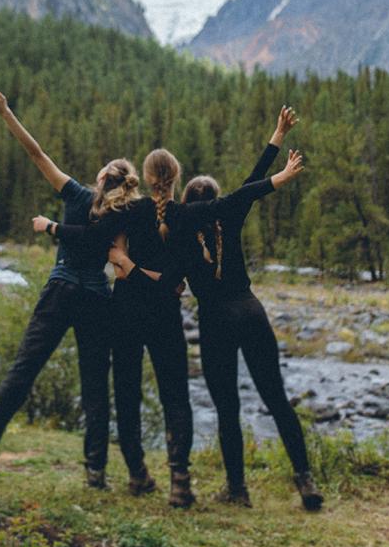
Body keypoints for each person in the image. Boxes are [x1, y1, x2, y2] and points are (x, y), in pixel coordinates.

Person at [37, 141, 305, 508]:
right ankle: (180, 480)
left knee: (127, 392)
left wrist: (55, 228)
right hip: (165, 315)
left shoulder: (129, 211)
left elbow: (92, 238)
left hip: (126, 310)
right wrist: (279, 175)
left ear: (146, 178)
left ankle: (138, 475)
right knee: (176, 397)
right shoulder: (186, 217)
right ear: (176, 178)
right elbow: (239, 197)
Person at [150, 106, 325, 511]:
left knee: (227, 406)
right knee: (277, 400)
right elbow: (253, 181)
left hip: (215, 322)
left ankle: (237, 489)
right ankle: (306, 481)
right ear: (216, 200)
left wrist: (130, 271)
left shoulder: (177, 233)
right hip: (251, 312)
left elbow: (168, 282)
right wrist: (277, 137)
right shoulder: (229, 214)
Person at [0, 89, 137, 489]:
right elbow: (116, 256)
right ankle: (95, 471)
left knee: (24, 369)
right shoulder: (122, 214)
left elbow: (37, 153)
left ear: (100, 179)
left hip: (60, 290)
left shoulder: (76, 194)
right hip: (96, 298)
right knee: (95, 384)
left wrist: (7, 113)